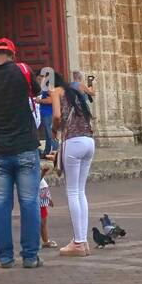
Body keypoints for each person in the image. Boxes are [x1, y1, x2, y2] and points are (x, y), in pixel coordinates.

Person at [0, 37, 41, 269]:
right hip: (25, 147)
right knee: (29, 202)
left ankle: (4, 257)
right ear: (13, 54)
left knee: (0, 204)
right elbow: (36, 91)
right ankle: (31, 256)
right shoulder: (23, 70)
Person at [53, 80, 95, 256]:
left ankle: (78, 242)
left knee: (72, 192)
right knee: (80, 191)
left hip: (73, 142)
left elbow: (56, 117)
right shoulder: (76, 94)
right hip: (89, 142)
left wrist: (54, 129)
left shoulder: (56, 91)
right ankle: (82, 240)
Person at [39, 161, 57, 250]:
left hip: (42, 195)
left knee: (43, 221)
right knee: (43, 222)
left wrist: (49, 199)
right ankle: (45, 241)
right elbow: (36, 180)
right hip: (40, 196)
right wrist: (42, 172)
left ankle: (45, 240)